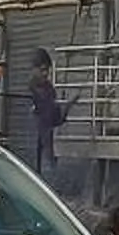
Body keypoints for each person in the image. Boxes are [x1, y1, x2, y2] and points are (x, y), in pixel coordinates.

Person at [24, 47, 70, 175]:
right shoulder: (27, 90)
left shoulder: (49, 89)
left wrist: (65, 109)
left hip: (46, 146)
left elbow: (55, 120)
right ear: (34, 69)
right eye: (42, 70)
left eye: (47, 70)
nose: (45, 74)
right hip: (29, 147)